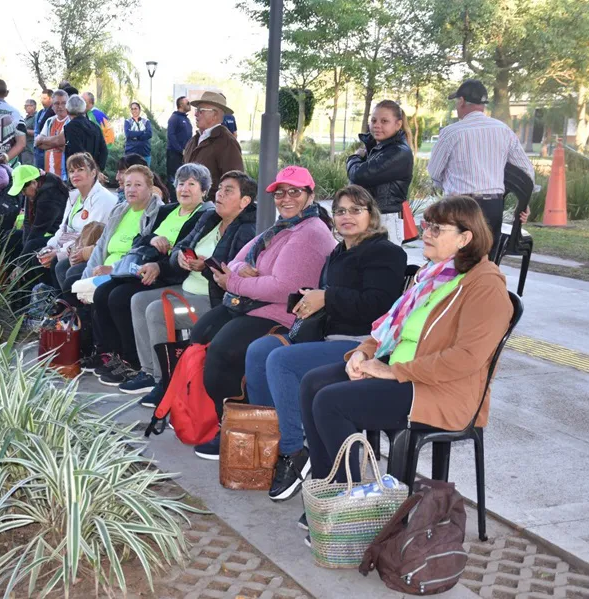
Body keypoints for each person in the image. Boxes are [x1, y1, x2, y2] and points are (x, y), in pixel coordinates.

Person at [296, 196, 512, 534]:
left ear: (465, 238)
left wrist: (393, 371)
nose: (425, 233)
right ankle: (332, 488)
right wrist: (363, 354)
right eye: (426, 225)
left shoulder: (485, 285)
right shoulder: (432, 275)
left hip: (438, 389)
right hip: (400, 373)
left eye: (436, 228)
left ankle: (355, 507)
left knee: (331, 401)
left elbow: (466, 358)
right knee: (313, 383)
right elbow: (389, 327)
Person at [245, 185, 407, 500]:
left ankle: (294, 452)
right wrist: (307, 299)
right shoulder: (338, 252)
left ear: (371, 215)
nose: (347, 217)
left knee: (281, 361)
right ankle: (278, 437)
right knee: (261, 349)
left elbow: (379, 304)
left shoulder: (385, 252)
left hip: (361, 345)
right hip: (328, 336)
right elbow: (330, 298)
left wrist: (327, 297)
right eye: (341, 211)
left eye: (355, 210)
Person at [189, 165, 337, 460]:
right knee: (202, 332)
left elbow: (282, 288)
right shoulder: (281, 227)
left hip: (281, 316)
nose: (286, 198)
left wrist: (237, 281)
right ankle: (229, 423)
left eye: (294, 191)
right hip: (253, 305)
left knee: (223, 350)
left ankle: (241, 433)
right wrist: (242, 274)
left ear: (310, 194)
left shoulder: (310, 232)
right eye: (280, 193)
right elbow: (233, 262)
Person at [130, 170, 258, 406]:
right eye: (219, 189)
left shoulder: (248, 231)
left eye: (228, 191)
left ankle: (165, 382)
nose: (219, 194)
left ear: (245, 201)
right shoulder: (209, 218)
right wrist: (179, 257)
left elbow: (234, 273)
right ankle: (148, 372)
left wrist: (204, 267)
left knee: (158, 311)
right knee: (138, 300)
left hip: (214, 300)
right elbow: (181, 246)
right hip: (187, 287)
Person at [90, 164, 213, 387]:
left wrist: (159, 264)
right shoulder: (168, 211)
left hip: (171, 275)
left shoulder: (205, 215)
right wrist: (153, 240)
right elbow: (140, 240)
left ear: (204, 190)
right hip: (144, 268)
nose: (184, 188)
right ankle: (114, 354)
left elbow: (186, 252)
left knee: (120, 297)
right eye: (181, 183)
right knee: (103, 293)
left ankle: (133, 360)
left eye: (191, 184)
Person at [428, 79, 534, 257]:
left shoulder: (452, 132)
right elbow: (526, 171)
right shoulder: (503, 130)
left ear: (461, 101)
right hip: (493, 206)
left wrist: (443, 185)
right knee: (484, 262)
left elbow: (434, 171)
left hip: (459, 206)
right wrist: (524, 202)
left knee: (456, 260)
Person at [36, 153, 116, 291]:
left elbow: (88, 235)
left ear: (93, 172)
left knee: (58, 263)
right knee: (38, 253)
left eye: (80, 170)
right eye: (71, 171)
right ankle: (52, 300)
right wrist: (50, 247)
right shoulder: (73, 197)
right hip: (70, 244)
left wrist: (58, 252)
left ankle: (67, 306)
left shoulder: (104, 199)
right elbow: (63, 229)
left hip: (89, 246)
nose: (75, 174)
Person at [346, 100, 414, 246]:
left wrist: (354, 157)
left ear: (398, 124)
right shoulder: (378, 148)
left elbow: (358, 176)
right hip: (370, 217)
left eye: (384, 121)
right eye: (374, 120)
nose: (377, 125)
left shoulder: (398, 152)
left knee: (382, 266)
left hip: (385, 221)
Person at [183, 92, 245, 201]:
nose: (196, 114)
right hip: (192, 207)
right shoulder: (194, 140)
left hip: (210, 210)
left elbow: (234, 182)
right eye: (196, 110)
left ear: (215, 115)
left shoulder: (227, 142)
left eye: (200, 111)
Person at [8, 164, 68, 254]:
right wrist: (25, 245)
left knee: (32, 244)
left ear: (34, 182)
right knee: (11, 236)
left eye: (23, 190)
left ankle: (20, 267)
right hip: (43, 231)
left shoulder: (50, 195)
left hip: (58, 235)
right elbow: (27, 221)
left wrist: (24, 255)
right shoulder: (34, 189)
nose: (23, 194)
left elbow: (39, 229)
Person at [63, 94, 108, 175]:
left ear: (67, 111)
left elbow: (77, 151)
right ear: (84, 110)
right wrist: (98, 169)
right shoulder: (95, 127)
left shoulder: (70, 127)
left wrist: (90, 170)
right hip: (94, 171)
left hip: (79, 172)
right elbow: (104, 150)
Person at [35, 90, 70, 180]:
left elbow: (63, 143)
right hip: (49, 173)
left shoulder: (70, 121)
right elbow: (37, 143)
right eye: (56, 103)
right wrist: (57, 143)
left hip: (65, 174)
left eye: (63, 103)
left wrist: (44, 140)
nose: (60, 106)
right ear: (52, 106)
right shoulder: (50, 121)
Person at [167, 96, 193, 194]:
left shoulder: (186, 119)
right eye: (187, 103)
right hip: (174, 154)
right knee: (174, 179)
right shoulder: (174, 118)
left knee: (184, 177)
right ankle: (174, 201)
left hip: (184, 155)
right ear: (181, 105)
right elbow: (171, 135)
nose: (189, 105)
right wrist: (180, 150)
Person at [34, 89, 55, 168]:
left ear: (51, 99)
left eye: (44, 99)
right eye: (41, 98)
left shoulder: (53, 113)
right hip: (38, 149)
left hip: (47, 148)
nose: (42, 101)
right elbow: (37, 129)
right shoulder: (40, 112)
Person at [22, 98, 37, 166]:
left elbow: (37, 132)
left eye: (27, 106)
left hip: (31, 150)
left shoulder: (36, 117)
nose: (25, 108)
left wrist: (24, 130)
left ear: (33, 106)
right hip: (25, 149)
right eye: (25, 106)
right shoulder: (25, 119)